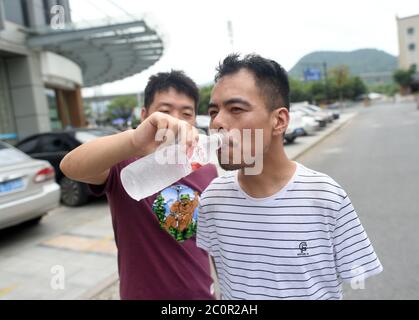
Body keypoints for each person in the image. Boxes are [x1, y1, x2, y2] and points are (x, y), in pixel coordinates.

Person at [196, 54, 383, 300]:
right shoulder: (212, 200)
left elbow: (355, 280)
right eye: (213, 111)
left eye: (236, 109)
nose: (217, 122)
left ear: (279, 120)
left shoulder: (327, 196)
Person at [60, 70, 217, 299]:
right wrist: (133, 140)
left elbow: (210, 239)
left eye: (186, 113)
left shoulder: (206, 168)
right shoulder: (125, 163)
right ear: (145, 115)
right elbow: (71, 166)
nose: (175, 121)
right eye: (165, 111)